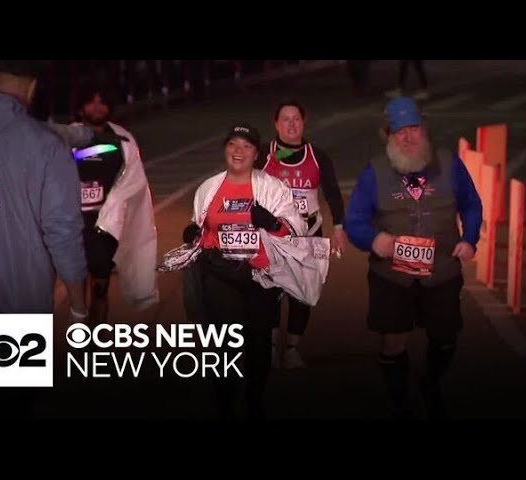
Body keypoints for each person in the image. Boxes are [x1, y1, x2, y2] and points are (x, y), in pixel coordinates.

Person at [0, 60, 88, 418]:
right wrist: (78, 308)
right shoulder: (46, 145)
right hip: (17, 307)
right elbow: (63, 232)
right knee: (12, 408)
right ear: (33, 86)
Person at [344, 97, 482, 419]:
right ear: (388, 135)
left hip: (443, 271)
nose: (408, 137)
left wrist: (470, 239)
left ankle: (430, 384)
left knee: (446, 338)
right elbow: (355, 221)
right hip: (392, 275)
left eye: (413, 128)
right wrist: (373, 238)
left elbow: (472, 204)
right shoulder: (374, 173)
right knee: (393, 344)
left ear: (424, 129)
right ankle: (400, 401)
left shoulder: (449, 164)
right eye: (399, 131)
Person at [181, 124, 306, 419]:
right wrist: (192, 234)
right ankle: (226, 402)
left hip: (261, 276)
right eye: (233, 145)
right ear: (225, 149)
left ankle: (254, 400)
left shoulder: (273, 188)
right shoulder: (208, 188)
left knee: (258, 342)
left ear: (257, 154)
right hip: (221, 274)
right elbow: (200, 230)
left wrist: (273, 224)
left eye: (246, 146)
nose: (238, 151)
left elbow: (294, 231)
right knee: (225, 341)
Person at [256, 99, 347, 369]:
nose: (291, 124)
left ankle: (293, 349)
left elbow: (332, 194)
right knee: (269, 291)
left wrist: (339, 228)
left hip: (309, 234)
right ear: (276, 124)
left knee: (302, 293)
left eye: (296, 119)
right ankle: (271, 347)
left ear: (303, 122)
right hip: (273, 235)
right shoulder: (264, 155)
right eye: (286, 119)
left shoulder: (318, 156)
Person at [71, 82, 159, 323]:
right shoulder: (65, 138)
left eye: (102, 101)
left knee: (100, 290)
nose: (97, 107)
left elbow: (135, 181)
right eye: (91, 101)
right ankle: (78, 343)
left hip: (104, 227)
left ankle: (95, 343)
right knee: (76, 292)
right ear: (80, 107)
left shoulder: (123, 139)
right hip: (71, 228)